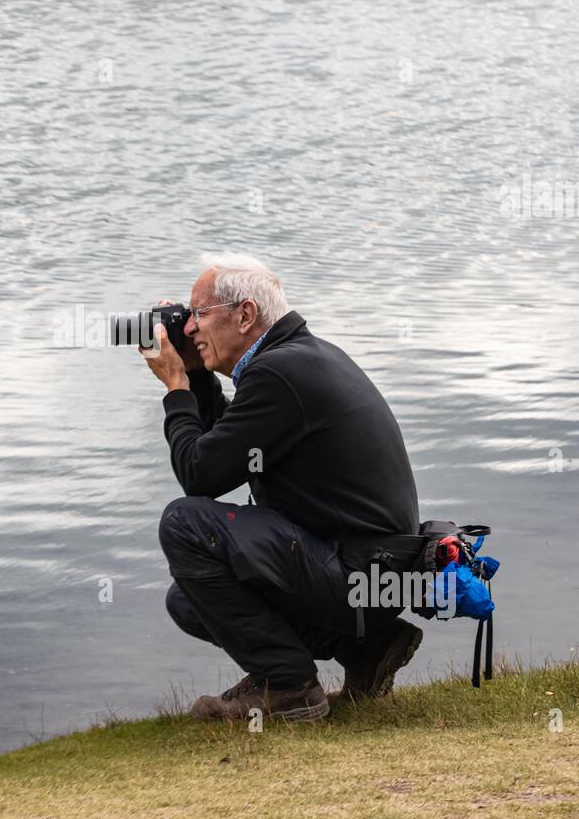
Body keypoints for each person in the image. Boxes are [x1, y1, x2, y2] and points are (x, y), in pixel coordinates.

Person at [140, 253, 422, 723]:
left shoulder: (279, 373)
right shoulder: (298, 360)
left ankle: (289, 688)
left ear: (245, 315)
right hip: (370, 577)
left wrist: (175, 388)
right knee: (189, 601)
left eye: (199, 314)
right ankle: (369, 647)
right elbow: (227, 447)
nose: (188, 329)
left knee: (183, 522)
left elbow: (199, 476)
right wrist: (196, 375)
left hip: (354, 574)